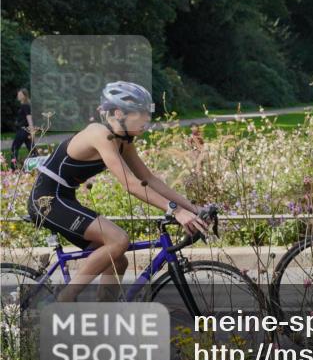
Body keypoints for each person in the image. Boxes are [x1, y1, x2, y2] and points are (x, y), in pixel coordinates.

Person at [28, 82, 210, 302]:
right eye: (141, 114)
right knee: (118, 240)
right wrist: (175, 211)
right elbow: (131, 184)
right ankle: (64, 299)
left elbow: (149, 179)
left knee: (118, 261)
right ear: (118, 113)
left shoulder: (123, 141)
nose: (147, 120)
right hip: (47, 201)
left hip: (64, 198)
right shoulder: (100, 134)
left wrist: (192, 208)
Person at [10, 88, 36, 170]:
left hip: (22, 131)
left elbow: (29, 119)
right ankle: (38, 166)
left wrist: (32, 132)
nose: (18, 96)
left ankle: (14, 168)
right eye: (18, 94)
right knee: (32, 149)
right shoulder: (24, 106)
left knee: (14, 148)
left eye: (20, 95)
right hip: (25, 131)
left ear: (24, 96)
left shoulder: (25, 106)